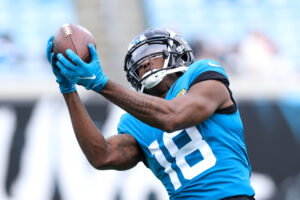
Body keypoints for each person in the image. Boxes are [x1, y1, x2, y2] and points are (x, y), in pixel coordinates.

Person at [46, 28, 255, 199]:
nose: (144, 62)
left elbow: (173, 117)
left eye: (152, 53)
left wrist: (101, 84)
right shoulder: (135, 120)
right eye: (138, 59)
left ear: (178, 53)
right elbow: (102, 156)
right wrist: (68, 89)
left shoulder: (201, 75)